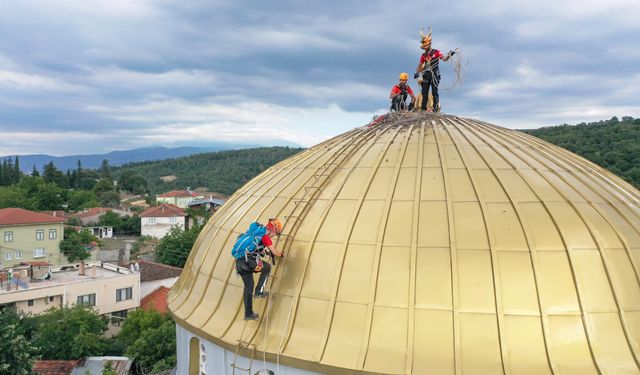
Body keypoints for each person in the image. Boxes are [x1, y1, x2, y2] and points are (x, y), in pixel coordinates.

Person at [234, 218, 284, 320]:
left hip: (240, 263)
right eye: (275, 233)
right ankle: (259, 292)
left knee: (249, 287)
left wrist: (264, 252)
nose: (274, 236)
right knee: (267, 268)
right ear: (273, 230)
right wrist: (282, 254)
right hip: (250, 263)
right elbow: (275, 253)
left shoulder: (255, 233)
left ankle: (248, 314)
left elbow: (257, 249)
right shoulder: (265, 237)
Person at [415, 27, 454, 112]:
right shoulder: (423, 55)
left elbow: (444, 59)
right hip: (426, 75)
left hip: (434, 74)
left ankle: (436, 109)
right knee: (424, 93)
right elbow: (420, 65)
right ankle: (423, 109)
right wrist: (416, 73)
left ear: (429, 44)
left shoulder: (436, 52)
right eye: (424, 46)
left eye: (426, 45)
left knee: (434, 92)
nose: (425, 47)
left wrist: (449, 54)